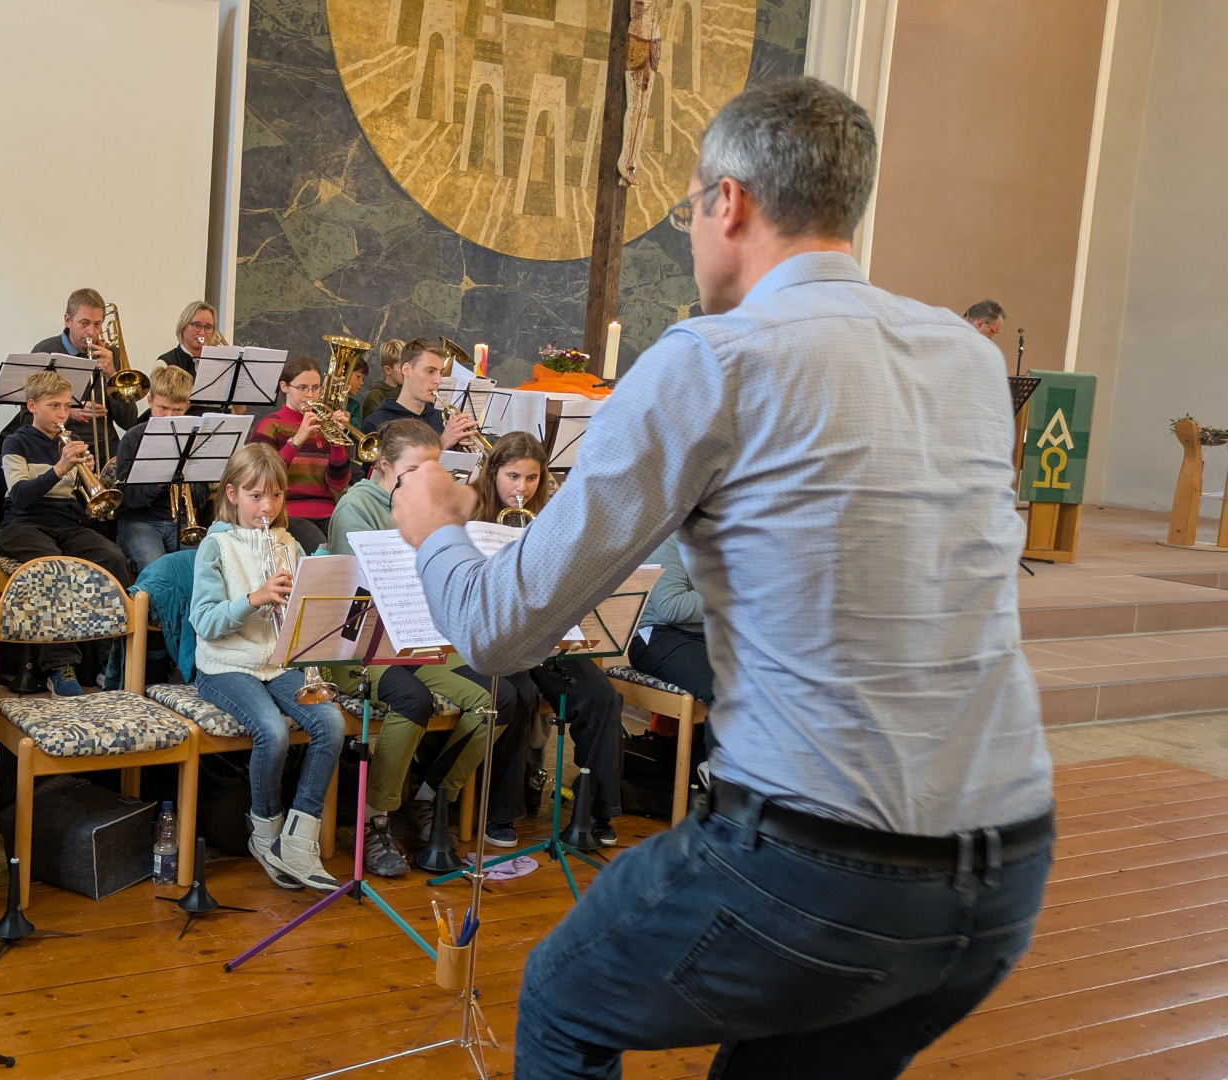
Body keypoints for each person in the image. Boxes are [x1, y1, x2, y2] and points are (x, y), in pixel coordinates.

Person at [392, 76, 1053, 1078]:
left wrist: (437, 530)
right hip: (1006, 862)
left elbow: (498, 629)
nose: (692, 233)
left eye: (688, 211)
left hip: (817, 865)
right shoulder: (963, 358)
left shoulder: (716, 358)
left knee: (564, 1004)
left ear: (728, 202)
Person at [328, 419, 494, 875]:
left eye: (433, 471)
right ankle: (374, 819)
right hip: (362, 644)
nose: (427, 482)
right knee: (412, 700)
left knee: (492, 698)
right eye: (414, 471)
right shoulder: (356, 507)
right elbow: (363, 590)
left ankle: (431, 797)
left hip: (417, 637)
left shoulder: (430, 504)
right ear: (384, 466)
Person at [189, 444, 345, 891]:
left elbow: (303, 616)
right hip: (225, 666)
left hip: (279, 663)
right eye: (256, 496)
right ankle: (265, 832)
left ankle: (298, 840)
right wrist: (254, 599)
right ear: (232, 494)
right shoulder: (215, 546)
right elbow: (205, 621)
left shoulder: (288, 543)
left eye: (276, 496)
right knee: (272, 732)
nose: (267, 507)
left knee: (331, 724)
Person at [471, 431, 626, 848]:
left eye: (532, 478)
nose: (521, 489)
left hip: (546, 636)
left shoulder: (549, 517)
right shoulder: (471, 512)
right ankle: (500, 812)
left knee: (601, 697)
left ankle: (597, 809)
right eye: (512, 476)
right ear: (493, 473)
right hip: (495, 638)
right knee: (517, 696)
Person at [0, 369, 135, 696]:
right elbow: (21, 496)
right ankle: (60, 665)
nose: (62, 414)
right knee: (54, 565)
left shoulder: (70, 443)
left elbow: (81, 506)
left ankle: (110, 661)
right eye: (54, 406)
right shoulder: (16, 442)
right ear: (32, 405)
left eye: (66, 406)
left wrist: (89, 482)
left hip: (67, 525)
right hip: (22, 525)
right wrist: (61, 467)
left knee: (113, 558)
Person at [0, 288, 140, 449]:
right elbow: (27, 417)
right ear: (67, 320)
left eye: (97, 324)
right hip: (55, 446)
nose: (91, 332)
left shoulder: (110, 354)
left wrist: (111, 376)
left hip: (103, 445)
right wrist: (68, 412)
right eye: (84, 323)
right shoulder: (45, 351)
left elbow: (129, 422)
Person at [248, 356, 351, 554]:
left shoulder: (323, 425)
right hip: (287, 513)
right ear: (284, 387)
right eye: (302, 388)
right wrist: (296, 441)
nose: (310, 395)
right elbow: (260, 477)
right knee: (321, 552)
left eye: (316, 388)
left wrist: (337, 442)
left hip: (328, 513)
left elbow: (338, 484)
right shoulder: (270, 424)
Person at [112, 364, 204, 573]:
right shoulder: (133, 438)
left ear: (187, 405)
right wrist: (161, 481)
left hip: (181, 522)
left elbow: (201, 498)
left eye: (177, 410)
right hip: (139, 522)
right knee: (154, 565)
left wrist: (186, 482)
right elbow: (125, 498)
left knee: (200, 568)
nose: (169, 416)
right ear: (150, 401)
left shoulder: (196, 440)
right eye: (162, 408)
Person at [628, 535, 714, 709]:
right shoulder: (668, 539)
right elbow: (671, 606)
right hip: (659, 635)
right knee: (725, 689)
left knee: (765, 680)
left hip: (712, 635)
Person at [364, 338, 480, 451]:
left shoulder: (445, 421)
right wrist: (443, 443)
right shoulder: (375, 423)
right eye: (430, 371)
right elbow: (386, 465)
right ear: (406, 369)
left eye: (441, 372)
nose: (439, 380)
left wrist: (462, 449)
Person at [158, 301, 218, 377]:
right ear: (183, 327)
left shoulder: (216, 365)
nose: (202, 333)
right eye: (196, 325)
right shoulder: (164, 364)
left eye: (208, 327)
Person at [357, 338, 405, 419]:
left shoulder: (410, 391)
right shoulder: (374, 397)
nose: (408, 371)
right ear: (388, 370)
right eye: (402, 368)